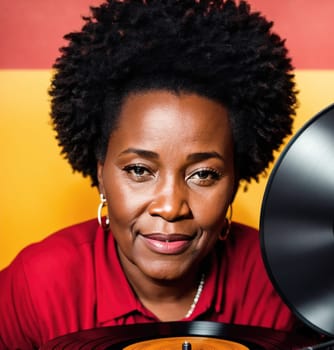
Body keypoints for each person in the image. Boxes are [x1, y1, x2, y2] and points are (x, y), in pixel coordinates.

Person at [0, 0, 311, 348]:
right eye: (138, 170)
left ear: (235, 182)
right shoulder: (37, 284)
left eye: (203, 174)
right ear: (100, 173)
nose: (170, 206)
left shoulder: (281, 282)